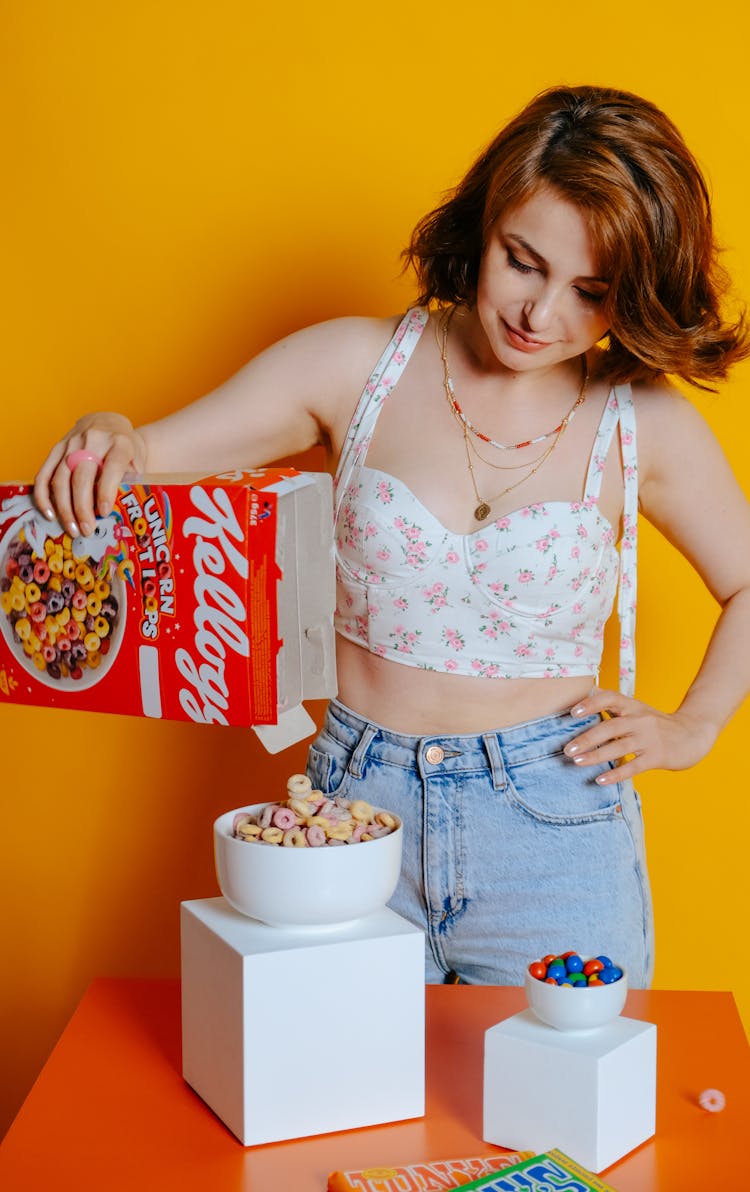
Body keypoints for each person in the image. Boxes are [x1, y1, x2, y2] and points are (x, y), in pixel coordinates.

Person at [35, 85, 750, 986]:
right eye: (522, 261)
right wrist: (109, 430)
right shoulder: (355, 365)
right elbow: (144, 455)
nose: (540, 315)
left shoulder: (642, 421)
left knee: (557, 1122)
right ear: (485, 220)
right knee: (336, 1114)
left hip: (557, 828)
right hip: (350, 811)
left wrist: (696, 726)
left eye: (591, 292)